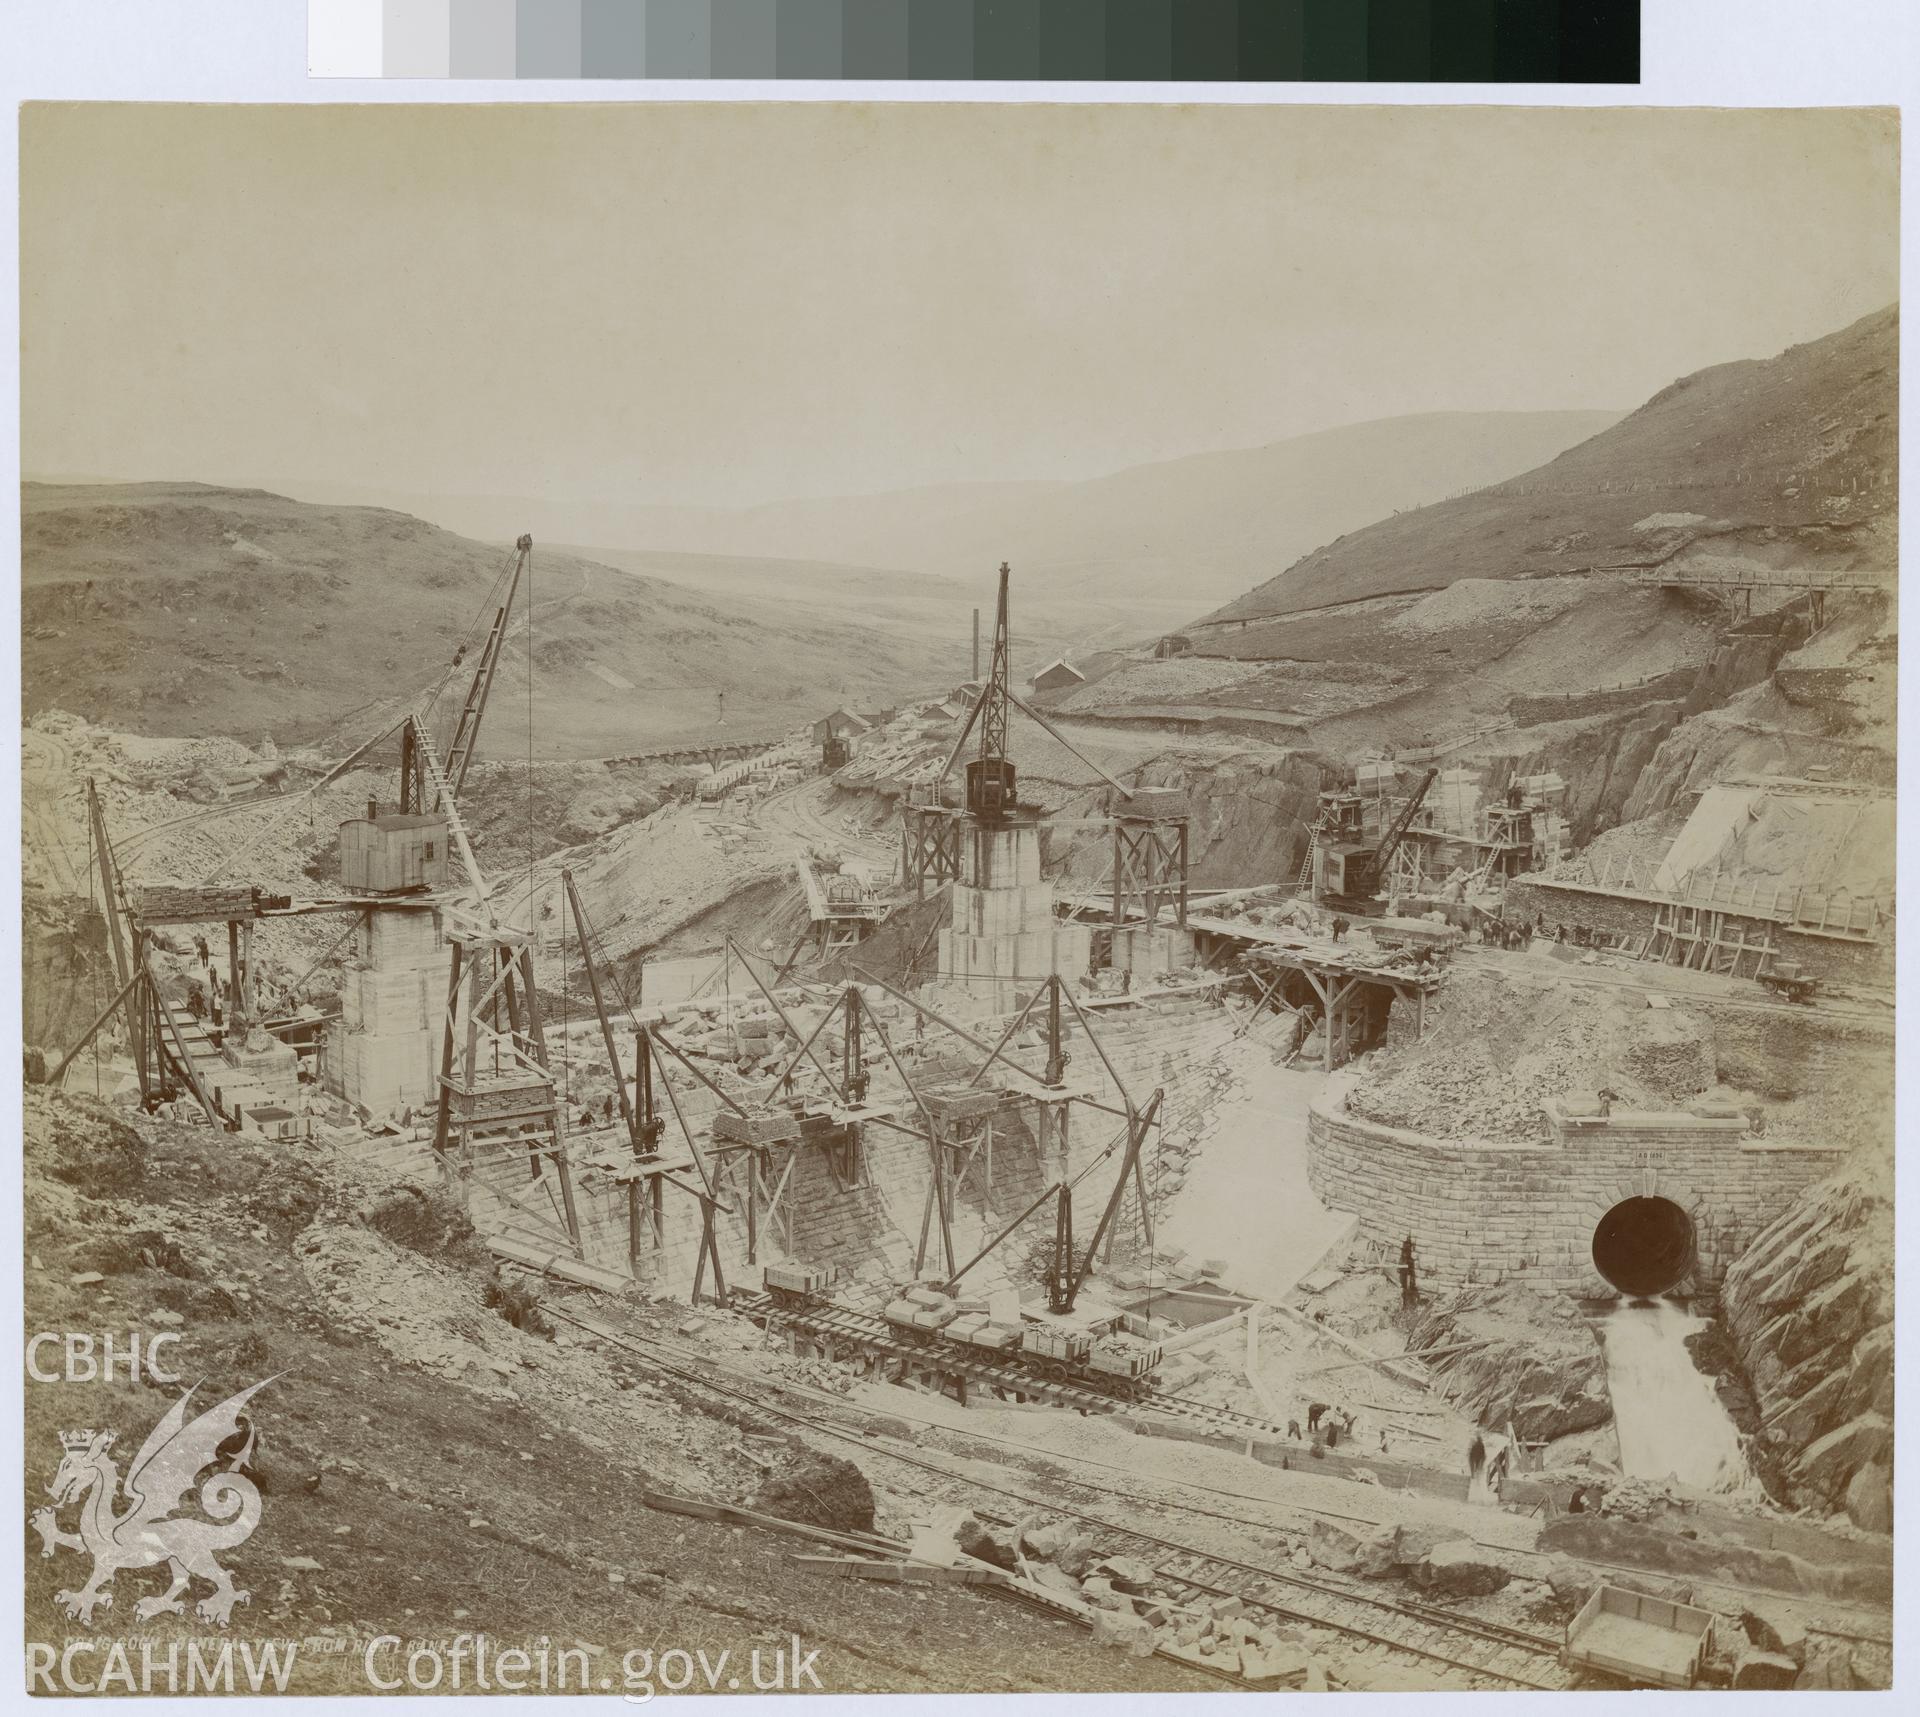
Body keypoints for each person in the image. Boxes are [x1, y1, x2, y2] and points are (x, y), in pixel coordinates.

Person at [1399, 1235, 1419, 1307]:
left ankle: (1410, 1301)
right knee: (1404, 1283)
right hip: (1405, 1270)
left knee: (1409, 1284)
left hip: (1408, 1269)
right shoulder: (1404, 1256)